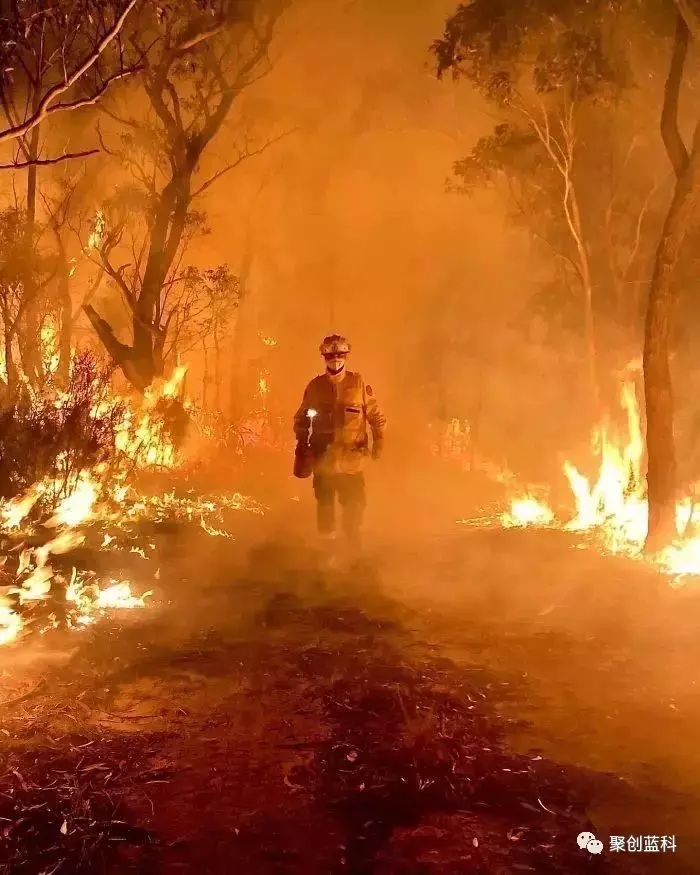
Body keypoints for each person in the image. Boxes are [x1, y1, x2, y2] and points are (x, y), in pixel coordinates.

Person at [294, 334, 385, 552]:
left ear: (346, 355)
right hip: (323, 460)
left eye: (340, 354)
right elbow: (302, 418)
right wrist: (302, 445)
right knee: (325, 508)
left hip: (352, 462)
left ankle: (353, 551)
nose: (335, 359)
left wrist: (379, 439)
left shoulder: (358, 384)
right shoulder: (315, 387)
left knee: (354, 507)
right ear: (323, 356)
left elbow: (375, 416)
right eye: (330, 355)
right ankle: (328, 554)